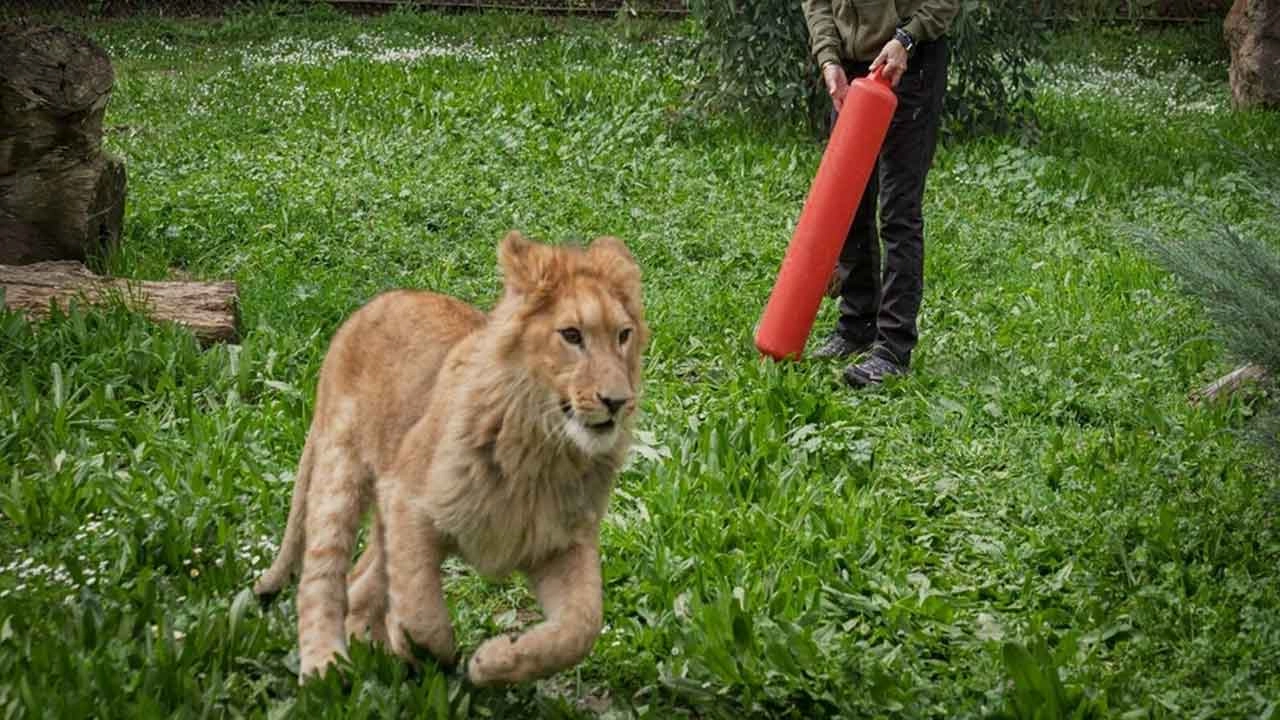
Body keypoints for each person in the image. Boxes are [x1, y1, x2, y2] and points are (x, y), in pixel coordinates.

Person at [800, 0, 958, 387]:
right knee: (848, 202)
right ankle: (856, 326)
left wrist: (906, 38)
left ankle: (892, 348)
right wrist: (828, 58)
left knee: (898, 211)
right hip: (851, 67)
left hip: (910, 60)